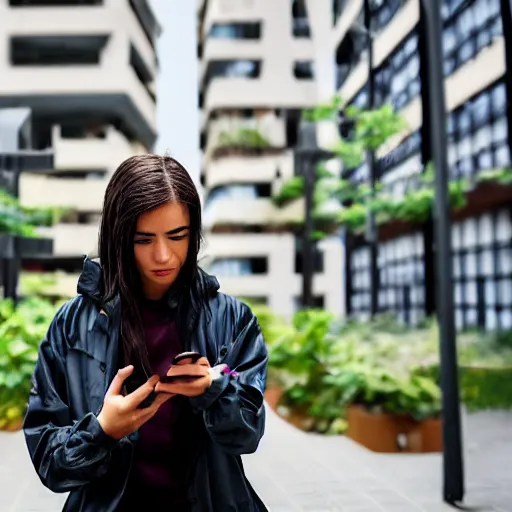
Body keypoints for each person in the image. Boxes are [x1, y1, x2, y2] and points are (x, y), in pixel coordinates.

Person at [23, 154, 269, 511]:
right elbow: (49, 462)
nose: (163, 255)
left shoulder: (232, 320)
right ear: (119, 237)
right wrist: (103, 431)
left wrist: (215, 389)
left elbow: (248, 434)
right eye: (143, 240)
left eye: (177, 236)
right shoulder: (71, 326)